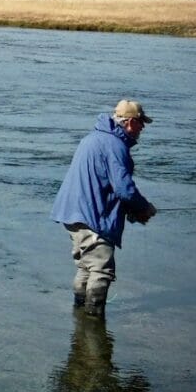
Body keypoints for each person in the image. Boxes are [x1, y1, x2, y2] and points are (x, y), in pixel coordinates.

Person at [50, 99, 157, 318]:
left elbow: (105, 185)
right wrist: (144, 208)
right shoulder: (115, 146)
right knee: (100, 269)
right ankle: (93, 323)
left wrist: (133, 212)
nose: (142, 128)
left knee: (85, 267)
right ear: (128, 122)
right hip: (92, 217)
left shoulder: (92, 139)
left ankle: (79, 316)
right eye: (140, 122)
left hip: (71, 214)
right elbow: (124, 190)